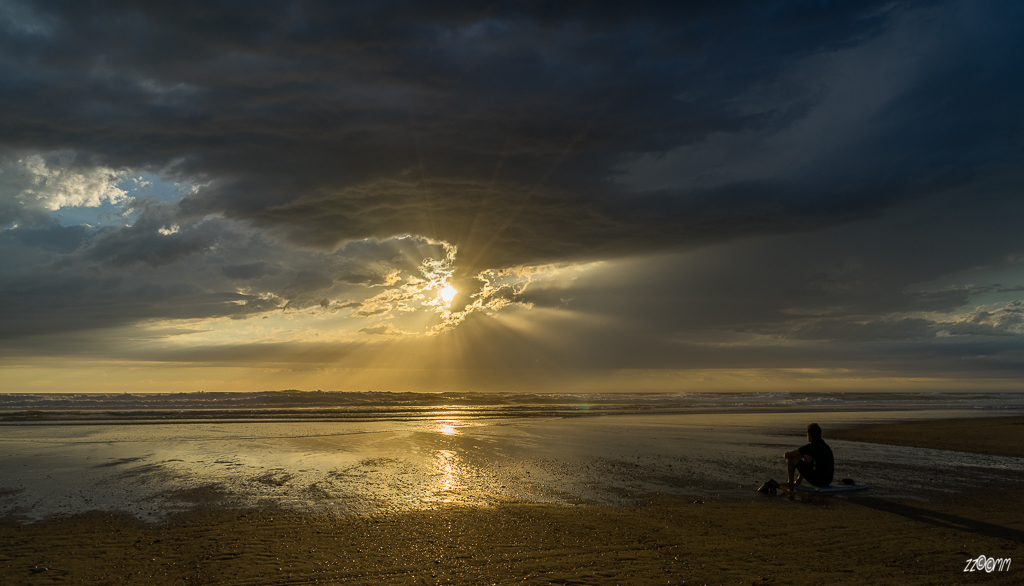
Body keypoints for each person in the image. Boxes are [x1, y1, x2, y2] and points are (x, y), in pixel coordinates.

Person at [781, 423, 833, 489]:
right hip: (828, 481)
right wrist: (800, 456)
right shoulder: (825, 446)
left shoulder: (811, 447)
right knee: (806, 456)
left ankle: (790, 483)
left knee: (791, 458)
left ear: (809, 435)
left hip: (818, 481)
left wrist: (788, 454)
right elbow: (807, 455)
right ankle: (798, 481)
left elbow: (788, 455)